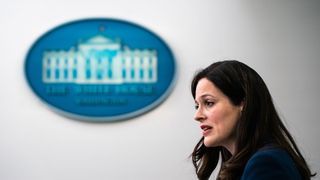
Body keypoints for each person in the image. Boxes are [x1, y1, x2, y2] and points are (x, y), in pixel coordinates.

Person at [191, 60, 315, 180]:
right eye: (197, 106)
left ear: (243, 103)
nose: (197, 115)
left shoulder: (266, 163)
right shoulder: (249, 164)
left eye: (209, 103)